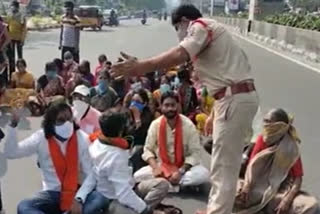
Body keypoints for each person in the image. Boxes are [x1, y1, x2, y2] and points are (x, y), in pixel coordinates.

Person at [111, 4, 259, 214]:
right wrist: (216, 110)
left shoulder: (200, 26)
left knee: (223, 166)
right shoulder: (218, 36)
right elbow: (226, 77)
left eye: (177, 29)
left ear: (183, 22)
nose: (180, 35)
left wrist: (140, 67)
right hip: (232, 99)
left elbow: (179, 54)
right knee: (224, 164)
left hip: (233, 100)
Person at [3, 101, 107, 214]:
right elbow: (11, 153)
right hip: (51, 194)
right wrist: (13, 126)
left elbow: (90, 174)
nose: (67, 124)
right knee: (24, 206)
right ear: (51, 122)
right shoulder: (41, 138)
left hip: (75, 192)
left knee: (99, 198)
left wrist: (79, 199)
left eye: (69, 119)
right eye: (61, 120)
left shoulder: (82, 138)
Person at [76, 111, 169, 214]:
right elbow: (123, 194)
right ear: (120, 131)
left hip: (130, 186)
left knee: (162, 184)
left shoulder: (98, 143)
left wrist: (80, 197)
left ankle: (140, 207)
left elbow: (93, 176)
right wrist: (145, 210)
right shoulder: (116, 156)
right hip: (115, 199)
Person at [234, 109, 319, 214]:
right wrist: (246, 187)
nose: (265, 125)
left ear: (279, 126)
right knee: (233, 190)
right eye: (264, 121)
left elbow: (298, 178)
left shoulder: (290, 147)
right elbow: (251, 167)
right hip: (256, 185)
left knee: (312, 205)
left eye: (269, 122)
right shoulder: (262, 139)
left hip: (280, 189)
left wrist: (287, 200)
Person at [134, 92, 210, 192]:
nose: (170, 109)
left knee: (203, 174)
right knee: (137, 176)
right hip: (162, 166)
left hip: (183, 167)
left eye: (173, 105)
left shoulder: (188, 125)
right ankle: (175, 186)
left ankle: (163, 185)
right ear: (161, 107)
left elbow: (195, 153)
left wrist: (180, 172)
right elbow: (148, 149)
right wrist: (155, 168)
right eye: (166, 105)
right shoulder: (155, 124)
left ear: (178, 106)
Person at [125, 89, 154, 173]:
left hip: (141, 147)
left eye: (137, 101)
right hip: (127, 147)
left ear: (144, 103)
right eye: (133, 101)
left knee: (137, 151)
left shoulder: (148, 116)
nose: (134, 104)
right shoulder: (127, 115)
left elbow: (140, 135)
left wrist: (137, 118)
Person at [6, 0, 26, 76]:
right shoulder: (9, 15)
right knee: (11, 57)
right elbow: (7, 27)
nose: (12, 8)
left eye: (14, 6)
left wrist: (22, 40)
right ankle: (12, 74)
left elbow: (24, 29)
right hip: (11, 39)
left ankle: (22, 72)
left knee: (20, 57)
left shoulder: (21, 16)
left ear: (17, 7)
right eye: (11, 6)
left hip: (19, 39)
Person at [0, 16, 10, 83]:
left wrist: (2, 48)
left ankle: (4, 83)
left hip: (1, 50)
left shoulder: (2, 26)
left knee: (4, 65)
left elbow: (8, 39)